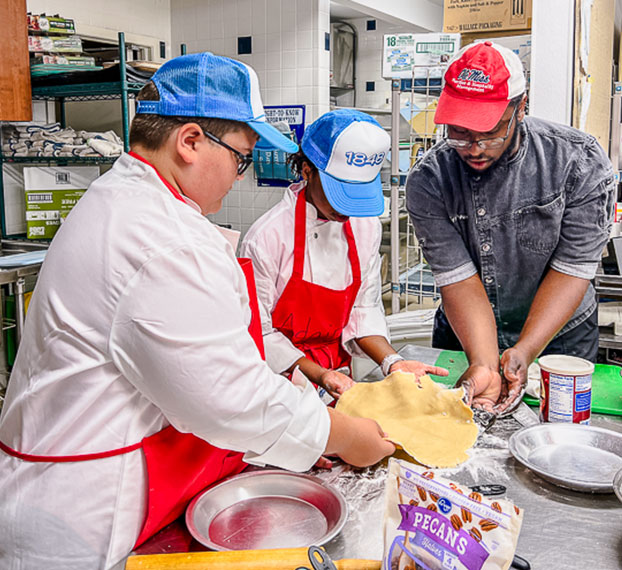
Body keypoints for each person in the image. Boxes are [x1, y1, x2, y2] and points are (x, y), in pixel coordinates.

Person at [0, 53, 395, 570]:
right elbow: (230, 397)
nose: (238, 175)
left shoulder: (125, 200)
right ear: (189, 141)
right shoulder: (162, 240)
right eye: (241, 157)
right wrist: (341, 434)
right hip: (88, 516)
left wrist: (294, 427)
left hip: (109, 477)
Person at [406, 41, 615, 413]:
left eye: (490, 131)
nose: (473, 148)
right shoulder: (430, 181)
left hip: (560, 333)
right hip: (467, 332)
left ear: (520, 107)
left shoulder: (577, 162)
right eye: (459, 132)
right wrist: (485, 365)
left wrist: (525, 350)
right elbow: (459, 279)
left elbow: (571, 269)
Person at [240, 109, 448, 403]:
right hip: (278, 385)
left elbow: (364, 309)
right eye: (339, 192)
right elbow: (259, 333)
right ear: (307, 171)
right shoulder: (267, 237)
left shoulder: (365, 226)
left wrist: (393, 362)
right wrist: (319, 374)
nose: (347, 209)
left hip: (338, 380)